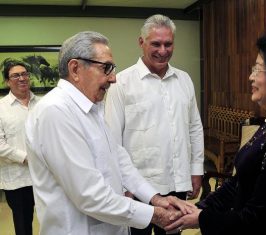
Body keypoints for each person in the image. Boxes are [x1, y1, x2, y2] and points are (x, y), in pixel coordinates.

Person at [25, 31, 194, 235]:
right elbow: (90, 195)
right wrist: (155, 214)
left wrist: (155, 198)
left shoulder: (92, 108)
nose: (113, 78)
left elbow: (120, 160)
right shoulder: (55, 112)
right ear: (75, 68)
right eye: (106, 68)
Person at [165, 32, 266, 235]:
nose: (251, 76)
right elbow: (240, 182)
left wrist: (201, 218)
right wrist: (199, 208)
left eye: (258, 69)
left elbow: (258, 220)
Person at [104, 14, 204, 235]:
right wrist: (122, 185)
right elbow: (112, 138)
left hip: (177, 181)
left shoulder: (184, 79)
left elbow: (194, 128)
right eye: (155, 44)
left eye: (168, 44)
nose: (163, 50)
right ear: (141, 43)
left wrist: (196, 170)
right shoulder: (122, 83)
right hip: (139, 187)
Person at [0, 58, 40, 235]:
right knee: (23, 225)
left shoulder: (43, 104)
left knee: (53, 218)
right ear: (7, 81)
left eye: (24, 74)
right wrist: (26, 157)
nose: (22, 78)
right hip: (18, 178)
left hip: (46, 175)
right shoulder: (1, 108)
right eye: (15, 75)